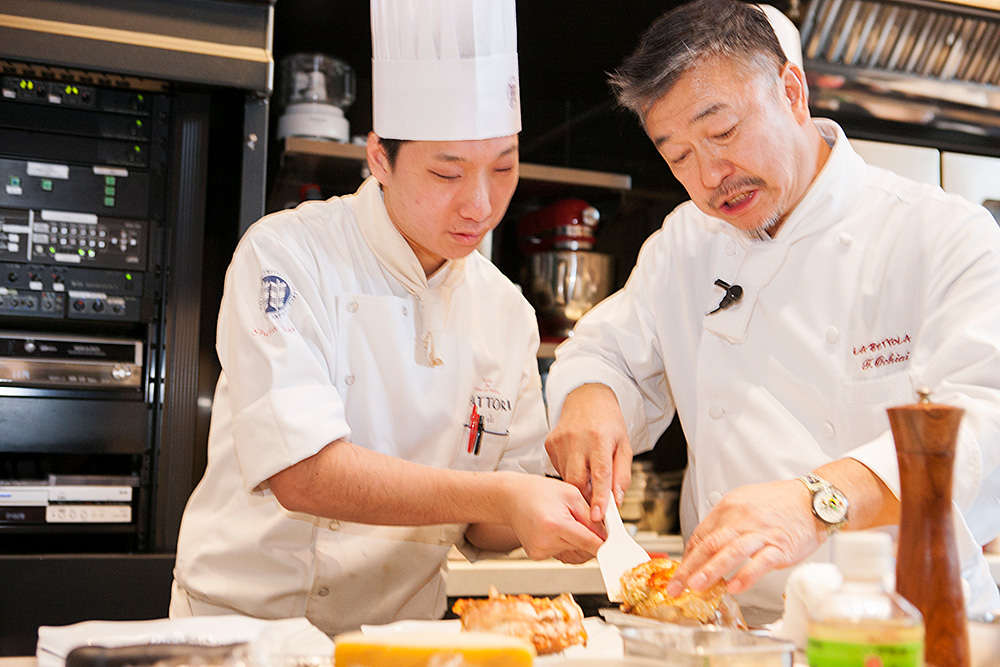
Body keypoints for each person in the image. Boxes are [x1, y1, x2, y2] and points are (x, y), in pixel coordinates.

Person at [544, 0, 1000, 624]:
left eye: (724, 133)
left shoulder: (943, 234)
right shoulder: (686, 244)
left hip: (907, 628)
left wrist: (818, 500)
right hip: (734, 629)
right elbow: (606, 351)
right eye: (677, 156)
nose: (709, 176)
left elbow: (985, 427)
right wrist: (591, 396)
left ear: (791, 92)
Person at [169, 0, 604, 636]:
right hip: (242, 633)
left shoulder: (506, 310)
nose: (480, 204)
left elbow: (488, 523)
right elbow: (305, 473)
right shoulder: (286, 254)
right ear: (379, 158)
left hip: (402, 641)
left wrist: (556, 509)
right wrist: (504, 496)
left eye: (504, 168)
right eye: (446, 172)